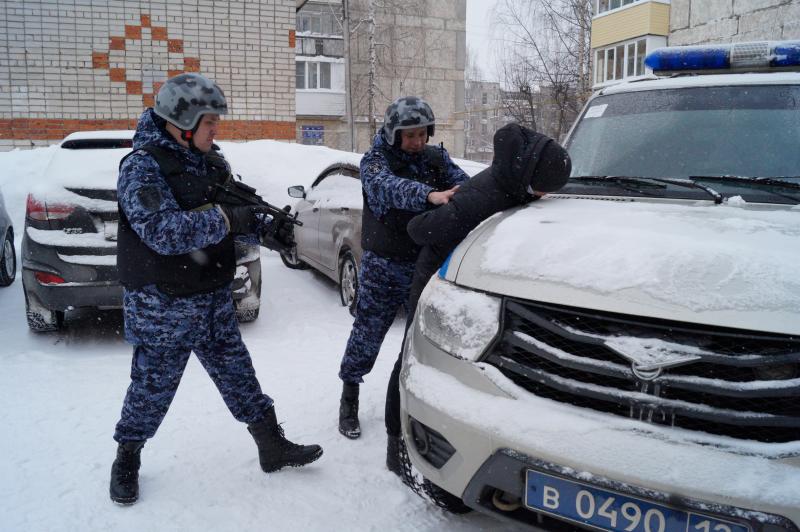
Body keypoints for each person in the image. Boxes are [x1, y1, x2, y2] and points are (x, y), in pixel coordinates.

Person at [109, 73, 322, 505]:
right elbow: (162, 231)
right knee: (151, 390)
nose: (216, 130)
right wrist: (228, 220)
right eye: (210, 123)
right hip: (162, 307)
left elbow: (236, 213)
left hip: (212, 300)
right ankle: (127, 458)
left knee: (240, 377)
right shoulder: (142, 167)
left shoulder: (212, 163)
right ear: (181, 123)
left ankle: (270, 445)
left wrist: (267, 230)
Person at [383, 123, 572, 476]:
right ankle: (396, 443)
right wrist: (439, 209)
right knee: (410, 354)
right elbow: (420, 229)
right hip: (434, 275)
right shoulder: (483, 196)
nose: (544, 196)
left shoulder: (514, 181)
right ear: (531, 176)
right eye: (543, 190)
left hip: (462, 278)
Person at [337, 96, 469, 440]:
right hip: (382, 267)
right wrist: (429, 196)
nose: (418, 142)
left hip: (422, 266)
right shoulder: (375, 161)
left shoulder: (435, 158)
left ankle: (415, 401)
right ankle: (349, 395)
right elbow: (388, 188)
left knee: (425, 338)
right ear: (394, 134)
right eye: (410, 135)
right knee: (367, 335)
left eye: (423, 134)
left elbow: (464, 184)